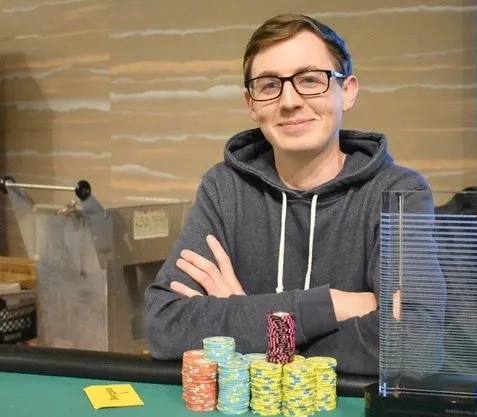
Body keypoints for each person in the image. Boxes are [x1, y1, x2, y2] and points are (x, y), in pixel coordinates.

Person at [144, 13, 443, 376]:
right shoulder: (224, 188)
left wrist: (249, 320)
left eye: (310, 80)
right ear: (251, 104)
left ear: (347, 92)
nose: (289, 101)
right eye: (269, 85)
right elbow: (165, 326)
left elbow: (416, 345)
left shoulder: (398, 192)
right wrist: (330, 305)